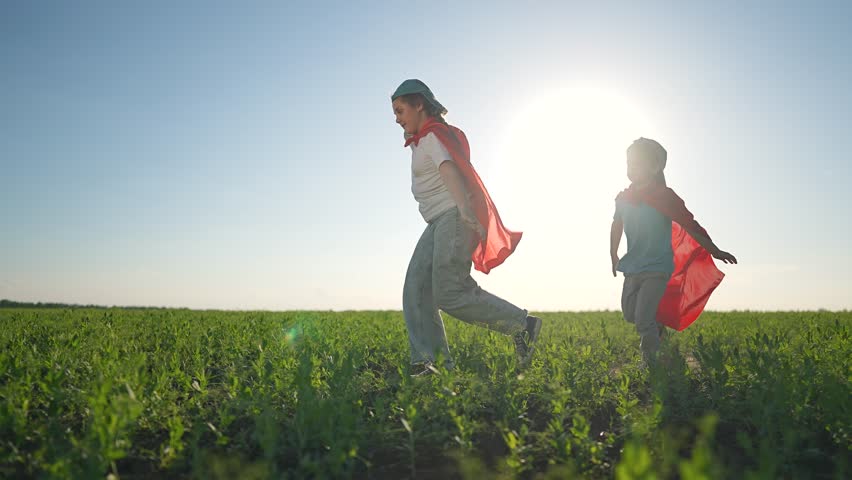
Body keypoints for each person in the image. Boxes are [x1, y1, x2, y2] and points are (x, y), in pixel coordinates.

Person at [391, 79, 542, 376]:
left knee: (449, 292)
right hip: (438, 221)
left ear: (419, 104)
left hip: (453, 217)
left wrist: (463, 208)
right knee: (417, 289)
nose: (396, 119)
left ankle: (522, 326)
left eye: (400, 110)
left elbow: (449, 168)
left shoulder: (433, 136)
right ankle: (429, 364)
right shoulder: (423, 139)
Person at [610, 138, 737, 365]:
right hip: (632, 266)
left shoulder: (665, 197)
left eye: (638, 163)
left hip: (657, 268)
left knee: (642, 319)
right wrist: (613, 254)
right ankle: (657, 327)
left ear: (655, 167)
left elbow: (691, 226)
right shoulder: (623, 199)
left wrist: (715, 250)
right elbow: (616, 225)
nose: (632, 169)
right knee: (630, 313)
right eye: (629, 163)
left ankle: (651, 361)